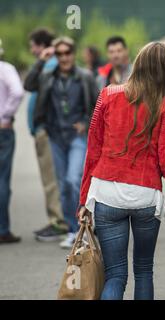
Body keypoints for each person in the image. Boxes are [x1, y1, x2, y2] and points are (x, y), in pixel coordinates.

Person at [77, 42, 165, 300]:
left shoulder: (108, 94)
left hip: (106, 193)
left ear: (137, 64)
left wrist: (83, 200)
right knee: (143, 271)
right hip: (145, 196)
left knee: (115, 274)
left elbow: (92, 152)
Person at [24, 36, 99, 248]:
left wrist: (86, 122)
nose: (64, 57)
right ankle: (72, 229)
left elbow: (98, 104)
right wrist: (41, 59)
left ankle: (82, 226)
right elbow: (28, 85)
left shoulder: (85, 77)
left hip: (77, 137)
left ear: (73, 54)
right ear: (55, 56)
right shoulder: (48, 76)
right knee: (62, 186)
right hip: (55, 136)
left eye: (67, 53)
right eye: (59, 54)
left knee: (73, 180)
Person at [25, 28, 68, 242]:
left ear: (42, 45)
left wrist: (42, 125)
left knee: (52, 179)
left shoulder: (51, 65)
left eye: (33, 45)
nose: (32, 49)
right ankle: (58, 219)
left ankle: (59, 222)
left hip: (48, 130)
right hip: (46, 130)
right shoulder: (49, 65)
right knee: (54, 178)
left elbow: (28, 85)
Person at [0, 39, 25, 244]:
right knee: (2, 179)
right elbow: (17, 92)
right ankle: (2, 229)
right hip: (3, 128)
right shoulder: (5, 68)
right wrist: (5, 115)